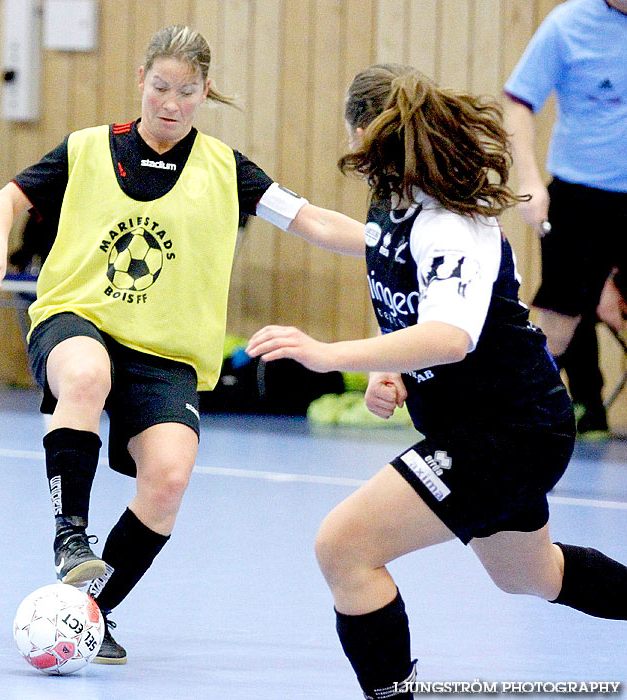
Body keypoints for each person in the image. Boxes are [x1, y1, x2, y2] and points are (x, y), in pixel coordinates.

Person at [0, 25, 364, 666]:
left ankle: (93, 611)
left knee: (169, 478)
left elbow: (310, 220)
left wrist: (387, 238)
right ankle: (70, 536)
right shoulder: (88, 149)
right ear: (140, 80)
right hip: (76, 315)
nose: (171, 103)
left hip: (166, 351)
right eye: (161, 87)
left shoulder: (229, 170)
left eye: (187, 92)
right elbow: (4, 201)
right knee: (85, 376)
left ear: (204, 93)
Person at [246, 64, 627, 699]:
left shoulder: (450, 219)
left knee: (344, 546)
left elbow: (452, 336)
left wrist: (329, 354)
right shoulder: (394, 203)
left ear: (363, 131)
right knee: (531, 575)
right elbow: (378, 264)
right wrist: (392, 368)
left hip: (508, 432)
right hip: (495, 426)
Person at [502, 0, 627, 438]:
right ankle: (513, 420)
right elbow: (518, 101)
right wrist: (530, 179)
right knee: (557, 317)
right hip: (582, 193)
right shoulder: (568, 25)